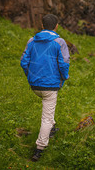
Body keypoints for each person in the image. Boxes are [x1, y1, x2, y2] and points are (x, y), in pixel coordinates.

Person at [20, 14, 70, 162]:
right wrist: (64, 77)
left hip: (34, 85)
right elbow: (64, 63)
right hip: (50, 87)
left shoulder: (31, 41)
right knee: (46, 117)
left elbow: (24, 62)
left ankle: (52, 128)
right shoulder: (59, 42)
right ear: (56, 26)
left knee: (48, 112)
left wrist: (30, 76)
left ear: (42, 25)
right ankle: (39, 149)